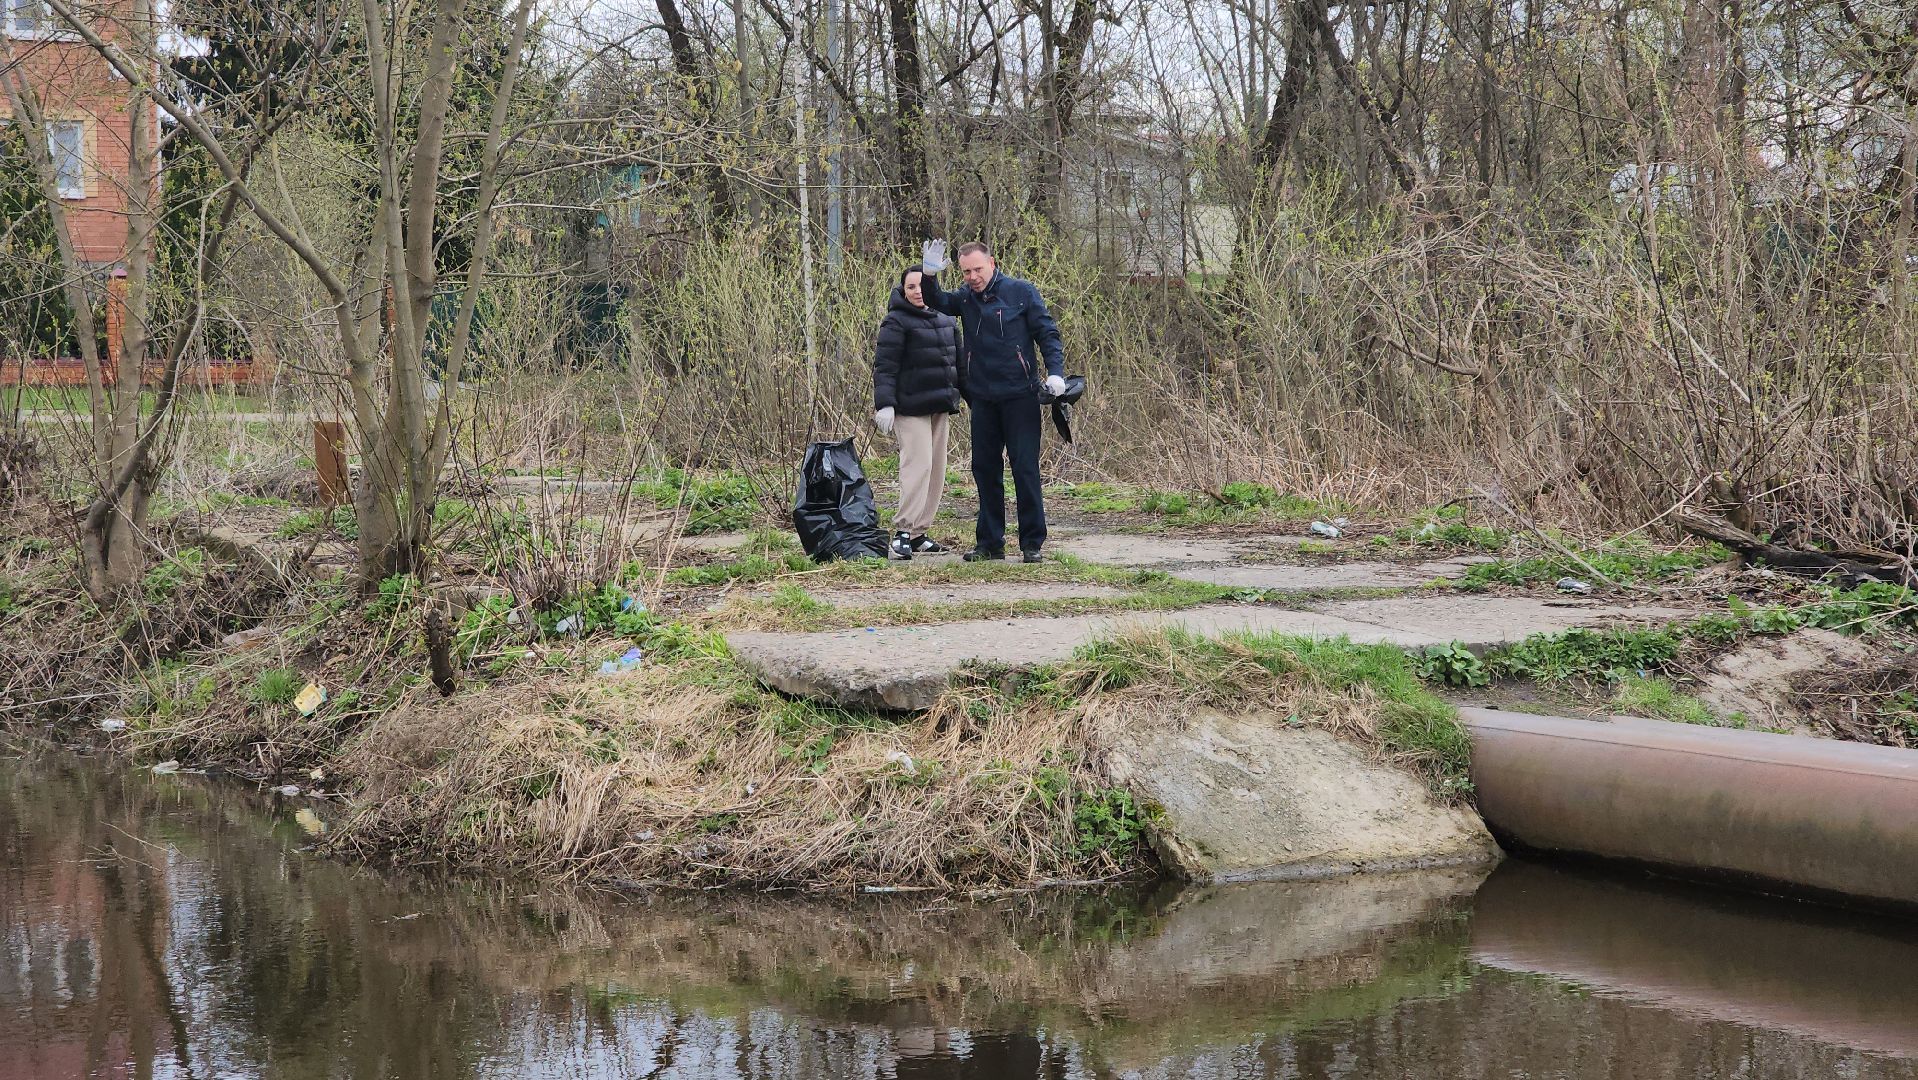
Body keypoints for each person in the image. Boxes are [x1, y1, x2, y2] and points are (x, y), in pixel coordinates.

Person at [917, 239, 1066, 563]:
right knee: (984, 469)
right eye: (966, 271)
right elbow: (937, 301)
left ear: (992, 263)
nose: (972, 276)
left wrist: (1056, 373)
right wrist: (929, 274)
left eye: (977, 269)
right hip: (983, 398)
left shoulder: (1021, 292)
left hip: (1020, 396)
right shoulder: (966, 299)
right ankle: (989, 542)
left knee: (1024, 469)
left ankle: (1031, 542)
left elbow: (1047, 334)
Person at [872, 264, 963, 560]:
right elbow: (885, 365)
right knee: (918, 465)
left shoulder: (946, 319)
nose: (917, 291)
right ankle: (902, 533)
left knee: (937, 469)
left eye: (921, 286)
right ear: (902, 290)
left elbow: (959, 365)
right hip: (910, 407)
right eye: (911, 287)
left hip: (939, 405)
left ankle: (919, 533)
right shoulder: (895, 321)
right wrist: (885, 403)